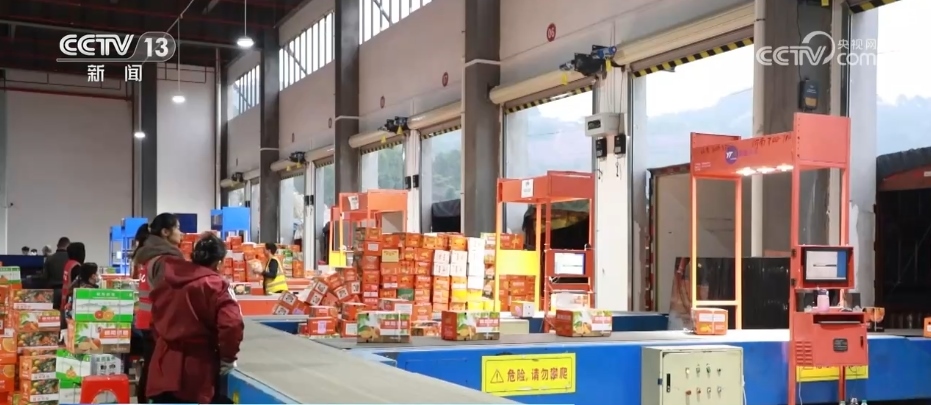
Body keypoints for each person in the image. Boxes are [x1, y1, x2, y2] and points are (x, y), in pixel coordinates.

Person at [146, 234, 243, 404]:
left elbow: (154, 320)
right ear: (219, 262)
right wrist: (227, 358)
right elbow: (231, 324)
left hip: (162, 367)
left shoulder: (167, 281)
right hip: (196, 371)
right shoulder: (216, 285)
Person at [130, 213, 184, 404]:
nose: (182, 233)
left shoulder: (149, 255)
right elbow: (169, 296)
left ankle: (145, 398)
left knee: (151, 364)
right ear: (165, 232)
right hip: (157, 322)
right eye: (178, 228)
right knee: (156, 367)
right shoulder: (165, 259)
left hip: (146, 319)